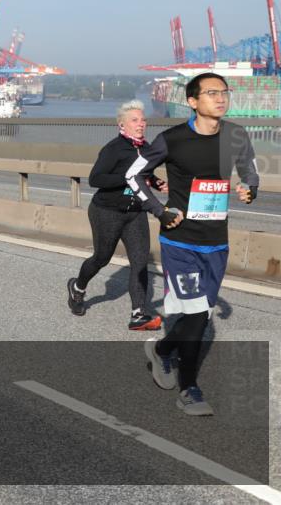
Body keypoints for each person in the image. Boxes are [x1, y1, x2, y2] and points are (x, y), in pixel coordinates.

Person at [127, 72, 259, 416]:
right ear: (192, 101)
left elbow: (250, 170)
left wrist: (250, 188)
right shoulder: (173, 139)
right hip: (180, 243)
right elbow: (133, 174)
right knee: (197, 314)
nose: (220, 98)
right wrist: (159, 210)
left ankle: (162, 350)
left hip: (216, 243)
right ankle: (189, 389)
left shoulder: (236, 135)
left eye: (224, 93)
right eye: (211, 93)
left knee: (197, 315)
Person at [67, 100, 167, 330]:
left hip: (136, 212)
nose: (140, 124)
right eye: (135, 120)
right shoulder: (114, 149)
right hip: (107, 211)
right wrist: (128, 178)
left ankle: (139, 313)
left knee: (140, 262)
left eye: (143, 120)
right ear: (122, 125)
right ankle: (78, 287)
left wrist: (155, 181)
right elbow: (96, 179)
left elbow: (145, 175)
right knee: (102, 258)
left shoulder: (147, 148)